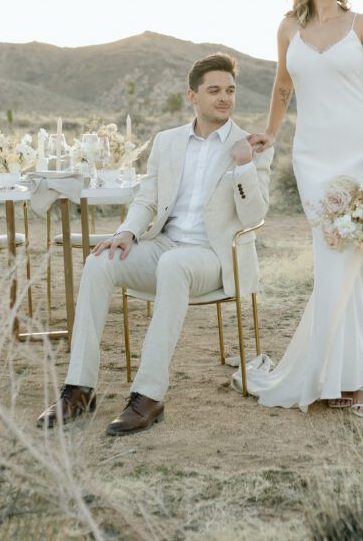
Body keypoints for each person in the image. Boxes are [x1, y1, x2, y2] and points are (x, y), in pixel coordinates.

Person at [37, 52, 273, 435]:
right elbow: (147, 199)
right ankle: (79, 389)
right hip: (165, 245)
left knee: (173, 265)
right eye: (214, 90)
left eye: (229, 90)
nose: (224, 98)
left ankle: (148, 395)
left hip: (211, 256)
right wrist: (127, 232)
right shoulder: (167, 142)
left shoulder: (253, 145)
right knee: (100, 261)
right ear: (192, 95)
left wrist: (244, 164)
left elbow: (254, 217)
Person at [244, 0, 363, 417]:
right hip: (313, 157)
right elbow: (282, 86)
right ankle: (333, 376)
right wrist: (271, 133)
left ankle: (359, 379)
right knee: (332, 259)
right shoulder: (288, 28)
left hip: (359, 152)